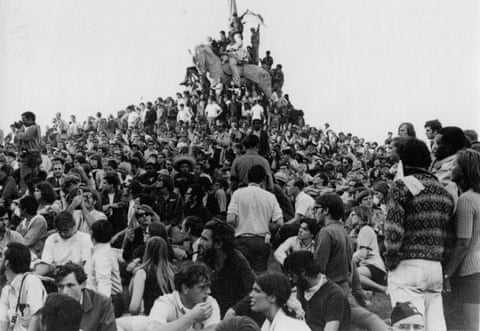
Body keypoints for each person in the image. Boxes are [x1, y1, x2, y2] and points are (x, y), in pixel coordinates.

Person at [385, 137, 454, 331]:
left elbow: (394, 228)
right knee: (436, 326)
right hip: (435, 267)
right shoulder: (444, 191)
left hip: (407, 266)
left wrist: (391, 258)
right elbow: (449, 235)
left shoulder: (401, 186)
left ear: (403, 161)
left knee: (408, 327)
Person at [313, 193, 387, 331]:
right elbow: (351, 265)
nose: (314, 213)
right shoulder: (342, 231)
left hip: (332, 289)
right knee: (355, 322)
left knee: (365, 318)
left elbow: (319, 268)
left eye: (316, 208)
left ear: (326, 210)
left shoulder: (326, 232)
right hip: (343, 286)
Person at [444, 149, 480, 331]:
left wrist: (447, 274)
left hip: (471, 271)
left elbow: (463, 242)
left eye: (455, 164)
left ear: (465, 169)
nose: (451, 167)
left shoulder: (466, 200)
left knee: (473, 325)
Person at [227, 165, 283, 274]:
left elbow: (230, 219)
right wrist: (267, 227)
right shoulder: (270, 196)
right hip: (262, 241)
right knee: (259, 277)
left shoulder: (238, 194)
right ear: (263, 179)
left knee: (241, 275)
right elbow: (280, 222)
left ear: (248, 178)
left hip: (241, 240)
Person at [198, 220, 255, 316]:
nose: (200, 242)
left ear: (219, 244)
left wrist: (235, 310)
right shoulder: (204, 258)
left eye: (205, 239)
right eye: (201, 238)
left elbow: (255, 289)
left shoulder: (238, 261)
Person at [284, 251, 351, 331]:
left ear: (302, 272)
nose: (291, 279)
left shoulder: (334, 295)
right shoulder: (302, 287)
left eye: (291, 275)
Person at [147, 262, 221, 331]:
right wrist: (192, 317)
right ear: (185, 288)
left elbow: (213, 328)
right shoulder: (166, 302)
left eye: (208, 286)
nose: (208, 292)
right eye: (202, 287)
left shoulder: (210, 302)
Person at [55, 262, 117, 331]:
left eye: (70, 285)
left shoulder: (103, 303)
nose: (64, 292)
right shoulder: (53, 305)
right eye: (61, 287)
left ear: (83, 284)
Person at [0, 242, 46, 331]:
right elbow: (2, 324)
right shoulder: (6, 290)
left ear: (7, 263)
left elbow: (36, 316)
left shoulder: (31, 281)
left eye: (1, 256)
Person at [85, 219, 123, 317]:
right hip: (103, 299)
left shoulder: (102, 256)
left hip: (107, 301)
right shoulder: (104, 251)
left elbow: (104, 282)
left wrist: (101, 309)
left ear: (92, 235)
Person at [129, 237, 174, 315]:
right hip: (170, 319)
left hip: (151, 319)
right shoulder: (172, 272)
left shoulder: (142, 273)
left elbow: (134, 307)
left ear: (147, 251)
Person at [38, 211, 93, 275]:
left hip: (78, 276)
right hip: (56, 275)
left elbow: (86, 264)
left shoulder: (85, 238)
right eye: (59, 231)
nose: (62, 233)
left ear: (73, 226)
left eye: (65, 230)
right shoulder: (51, 239)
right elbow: (46, 263)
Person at [350, 206, 387, 294]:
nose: (351, 216)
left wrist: (349, 261)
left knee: (351, 276)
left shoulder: (365, 230)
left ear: (360, 216)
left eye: (353, 214)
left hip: (374, 267)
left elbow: (362, 254)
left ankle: (383, 289)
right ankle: (367, 292)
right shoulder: (363, 230)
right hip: (371, 268)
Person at [430, 126, 470, 203]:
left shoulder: (457, 164)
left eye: (438, 143)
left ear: (450, 146)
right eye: (433, 143)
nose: (433, 147)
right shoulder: (436, 162)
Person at [13, 111, 42, 191]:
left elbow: (24, 137)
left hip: (29, 156)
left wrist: (19, 130)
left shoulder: (33, 127)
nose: (22, 121)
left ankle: (24, 194)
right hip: (33, 156)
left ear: (30, 119)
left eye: (24, 119)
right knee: (32, 178)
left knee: (25, 179)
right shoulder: (36, 127)